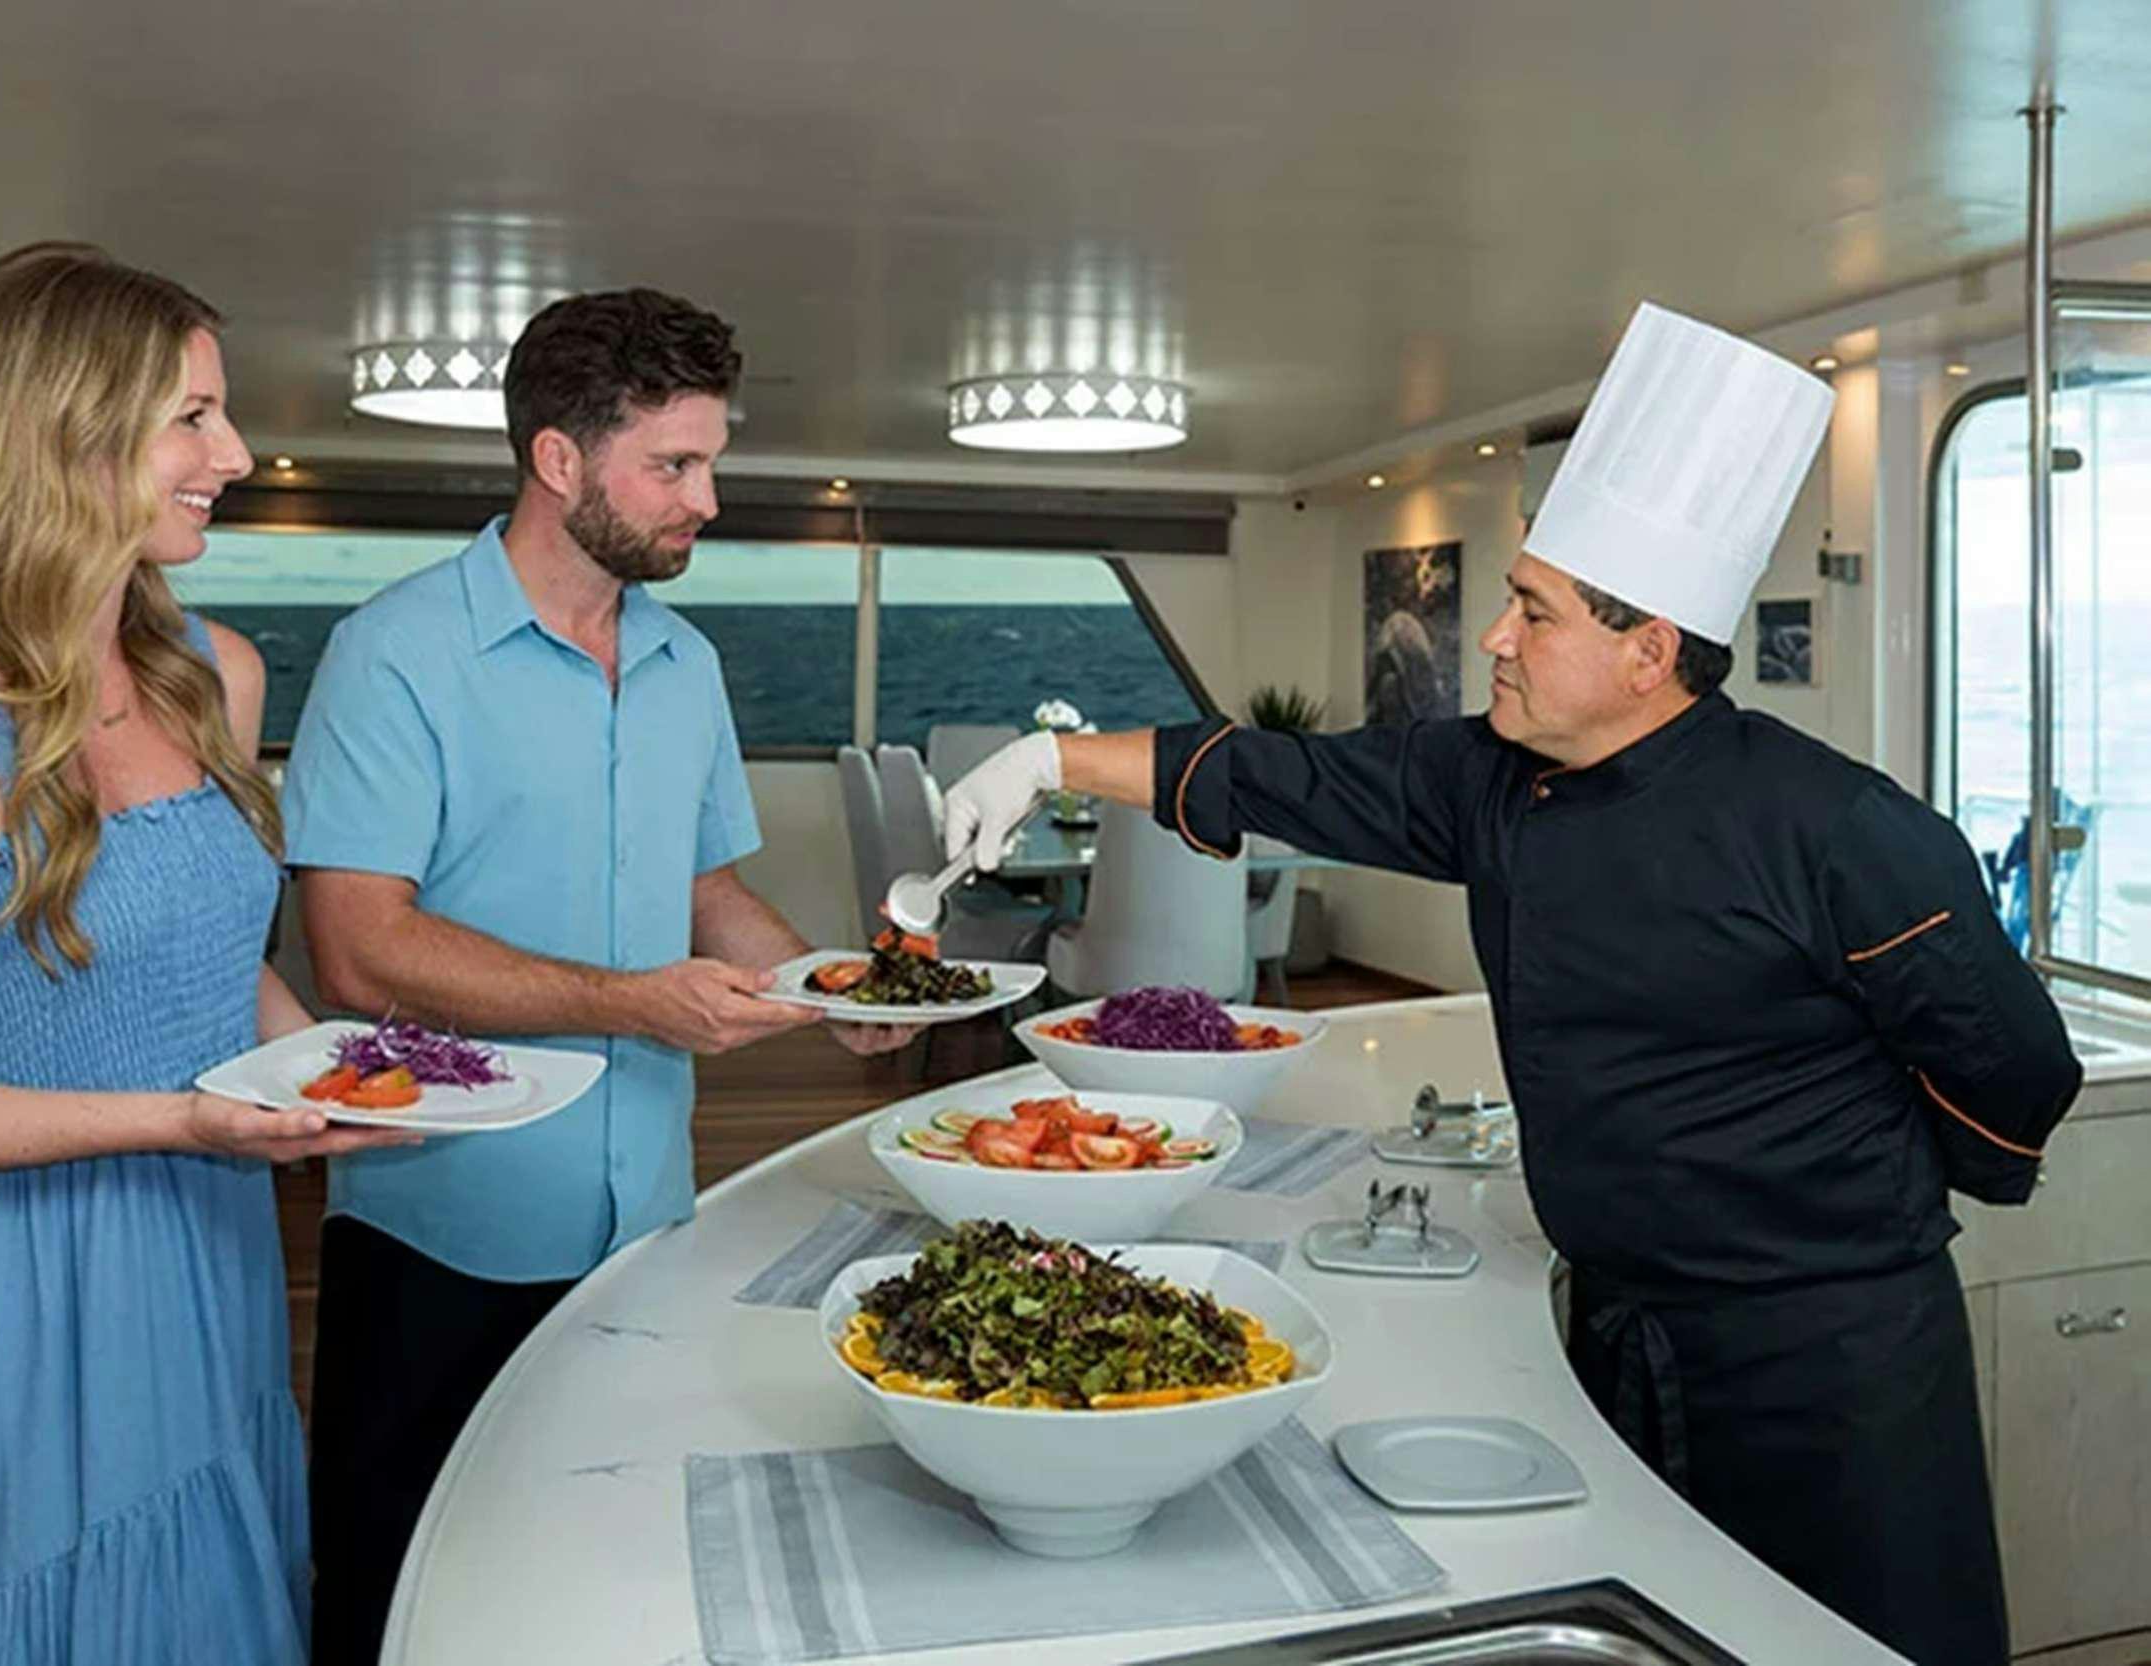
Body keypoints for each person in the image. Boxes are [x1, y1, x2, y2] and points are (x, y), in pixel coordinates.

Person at [944, 303, 2080, 1666]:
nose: (1491, 634)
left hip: (1834, 1372)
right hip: (1612, 1336)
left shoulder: (1839, 828)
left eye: (1532, 610)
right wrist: (1050, 764)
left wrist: (1844, 1184)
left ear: (1649, 648)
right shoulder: (1486, 779)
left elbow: (2015, 1059)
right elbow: (1278, 774)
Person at [0, 242, 415, 1665]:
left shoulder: (213, 673)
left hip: (211, 1253)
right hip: (13, 1290)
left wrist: (364, 1083)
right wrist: (174, 1118)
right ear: (64, 434)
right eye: (194, 416)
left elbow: (219, 965)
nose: (233, 453)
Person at [283, 286, 914, 1663]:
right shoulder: (391, 657)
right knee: (396, 1598)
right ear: (559, 461)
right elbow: (356, 944)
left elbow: (709, 896)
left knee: (606, 1588)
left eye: (711, 460)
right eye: (672, 466)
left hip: (649, 1228)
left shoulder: (687, 662)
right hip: (436, 1234)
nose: (708, 498)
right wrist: (629, 999)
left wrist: (838, 988)